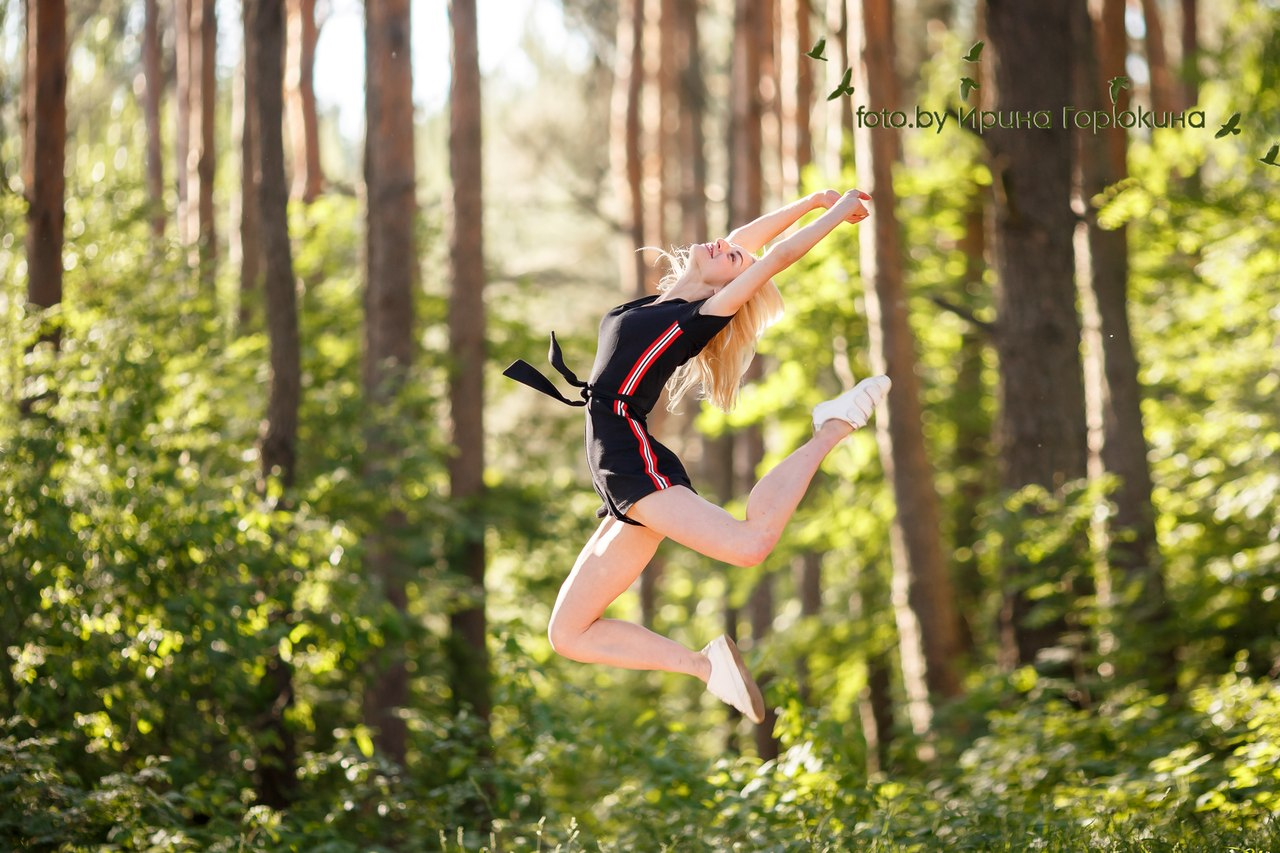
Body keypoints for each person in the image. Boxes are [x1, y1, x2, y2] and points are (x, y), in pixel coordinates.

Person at [504, 189, 890, 723]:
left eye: (733, 261)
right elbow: (749, 243)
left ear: (730, 286)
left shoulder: (698, 314)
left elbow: (774, 258)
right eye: (728, 249)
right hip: (617, 480)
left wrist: (837, 210)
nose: (726, 246)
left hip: (633, 462)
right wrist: (809, 200)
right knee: (568, 633)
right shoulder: (663, 298)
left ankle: (833, 426)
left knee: (750, 545)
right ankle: (707, 668)